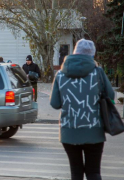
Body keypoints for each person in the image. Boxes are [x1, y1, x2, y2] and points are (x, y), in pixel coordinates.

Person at [50, 39, 114, 180]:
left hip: (69, 131)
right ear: (92, 55)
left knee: (76, 173)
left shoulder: (60, 74)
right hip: (94, 130)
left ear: (74, 52)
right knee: (93, 172)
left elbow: (55, 103)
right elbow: (111, 95)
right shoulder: (98, 73)